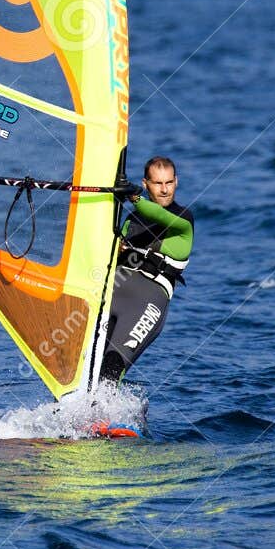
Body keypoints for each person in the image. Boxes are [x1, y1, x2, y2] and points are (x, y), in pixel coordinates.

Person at [98, 156, 194, 383]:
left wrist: (133, 197)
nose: (164, 190)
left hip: (148, 303)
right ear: (145, 183)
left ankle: (103, 415)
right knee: (84, 364)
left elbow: (158, 215)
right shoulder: (131, 221)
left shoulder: (183, 221)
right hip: (114, 291)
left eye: (169, 183)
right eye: (157, 183)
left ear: (176, 182)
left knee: (111, 367)